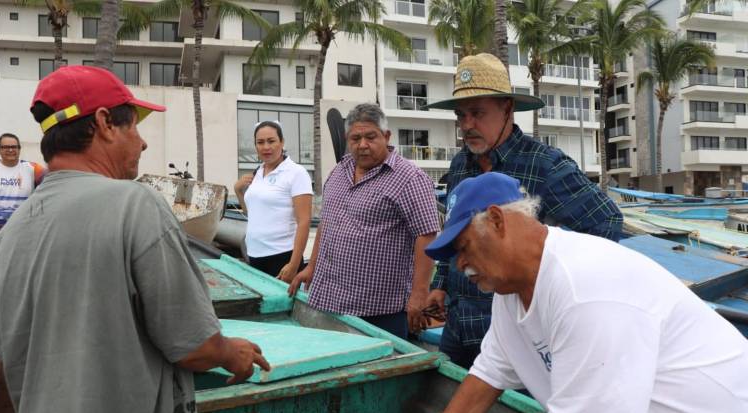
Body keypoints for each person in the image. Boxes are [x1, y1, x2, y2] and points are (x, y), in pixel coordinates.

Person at [0, 65, 269, 413]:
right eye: (133, 125)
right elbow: (195, 346)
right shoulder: (136, 205)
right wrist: (232, 352)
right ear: (104, 122)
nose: (142, 141)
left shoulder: (6, 239)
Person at [426, 172, 748, 413]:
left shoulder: (584, 287)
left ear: (497, 221)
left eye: (464, 246)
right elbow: (488, 375)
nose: (459, 264)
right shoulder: (510, 294)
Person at [424, 53, 623, 368]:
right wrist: (440, 285)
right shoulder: (460, 164)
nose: (467, 125)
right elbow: (455, 230)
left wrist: (550, 288)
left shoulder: (545, 164)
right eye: (461, 116)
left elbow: (606, 223)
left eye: (477, 113)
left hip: (519, 332)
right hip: (459, 322)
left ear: (507, 109)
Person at [289, 103, 440, 339]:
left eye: (371, 137)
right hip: (330, 298)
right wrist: (312, 266)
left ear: (386, 136)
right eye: (355, 138)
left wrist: (419, 293)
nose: (362, 145)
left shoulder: (409, 177)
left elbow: (427, 234)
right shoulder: (339, 171)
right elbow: (327, 223)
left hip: (379, 308)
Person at [233, 120, 312, 283]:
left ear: (282, 142)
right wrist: (238, 191)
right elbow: (252, 214)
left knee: (280, 307)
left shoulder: (296, 173)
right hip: (254, 254)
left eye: (271, 141)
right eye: (260, 142)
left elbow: (304, 222)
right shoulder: (258, 172)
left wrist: (293, 264)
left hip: (282, 256)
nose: (266, 147)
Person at [0, 133, 46, 243]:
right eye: (5, 147)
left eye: (14, 147)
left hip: (21, 229)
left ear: (19, 149)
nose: (10, 150)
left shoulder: (32, 168)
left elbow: (53, 182)